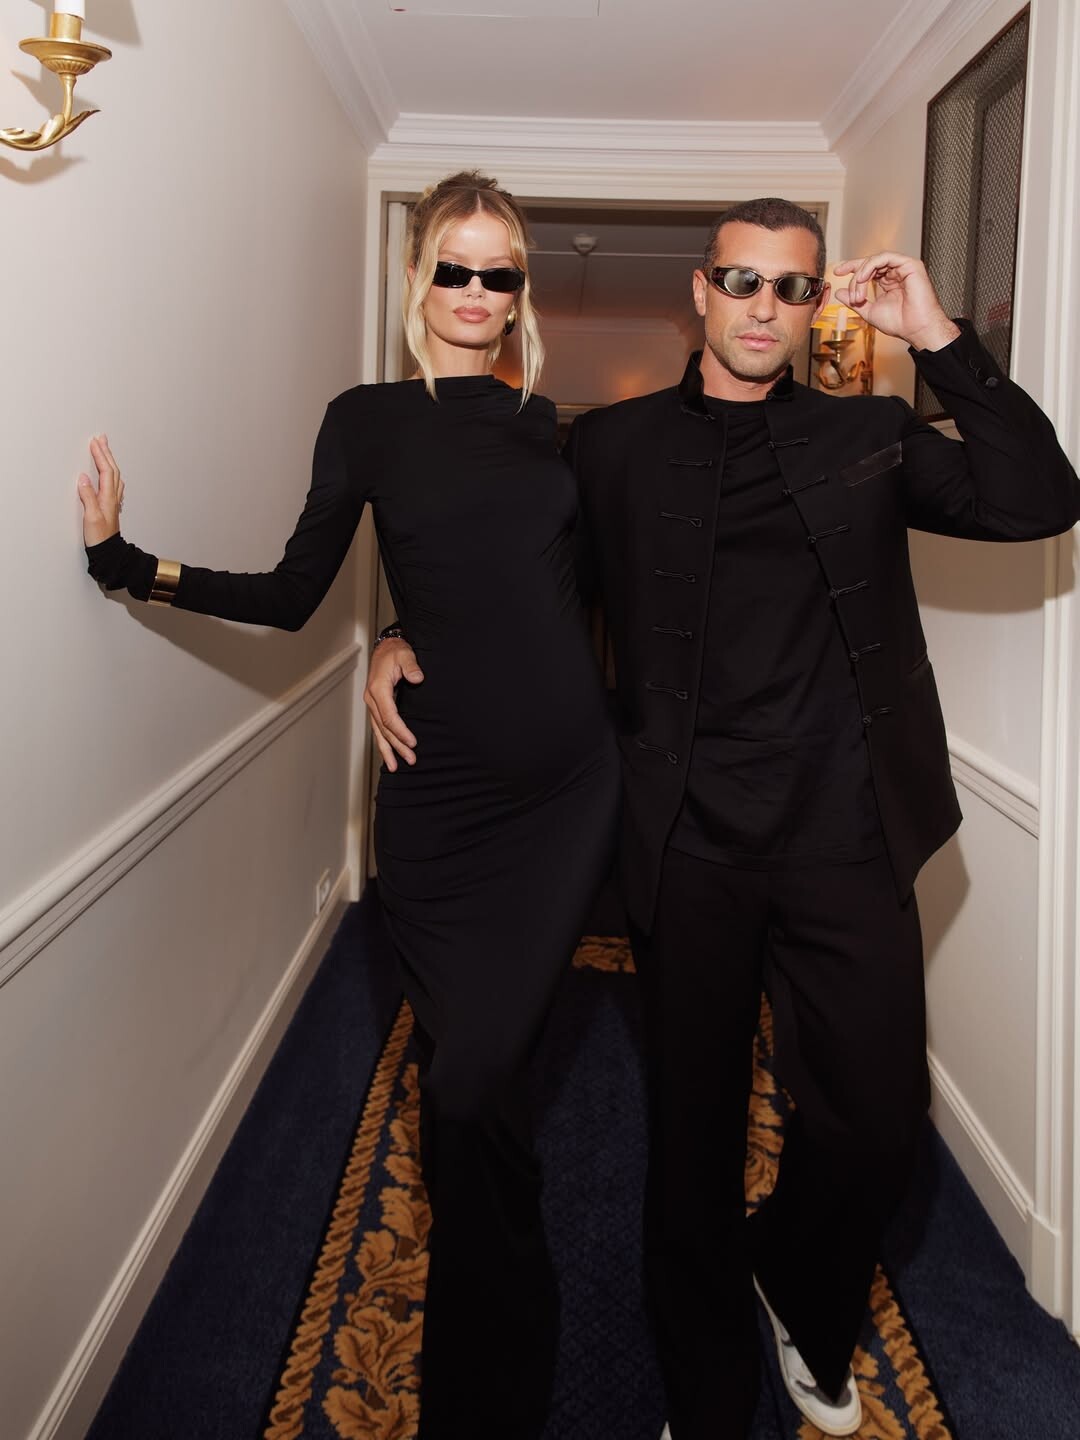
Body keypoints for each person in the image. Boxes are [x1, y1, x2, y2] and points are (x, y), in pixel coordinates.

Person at [365, 197, 1080, 1440]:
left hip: (847, 832)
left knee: (877, 1122)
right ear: (699, 291)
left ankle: (793, 1280)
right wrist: (399, 631)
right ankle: (705, 1394)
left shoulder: (870, 432)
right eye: (742, 281)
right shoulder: (611, 446)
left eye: (793, 288)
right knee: (690, 1141)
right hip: (684, 842)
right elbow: (512, 575)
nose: (764, 307)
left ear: (815, 306)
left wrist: (937, 337)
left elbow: (1039, 500)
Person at [77, 171, 620, 1440]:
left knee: (478, 1080)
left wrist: (408, 633)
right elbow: (289, 595)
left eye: (499, 272)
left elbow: (578, 600)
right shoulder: (366, 421)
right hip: (438, 792)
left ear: (520, 292)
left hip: (563, 790)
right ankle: (503, 1317)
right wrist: (125, 561)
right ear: (417, 280)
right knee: (474, 1084)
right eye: (454, 268)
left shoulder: (553, 430)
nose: (475, 291)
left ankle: (496, 1367)